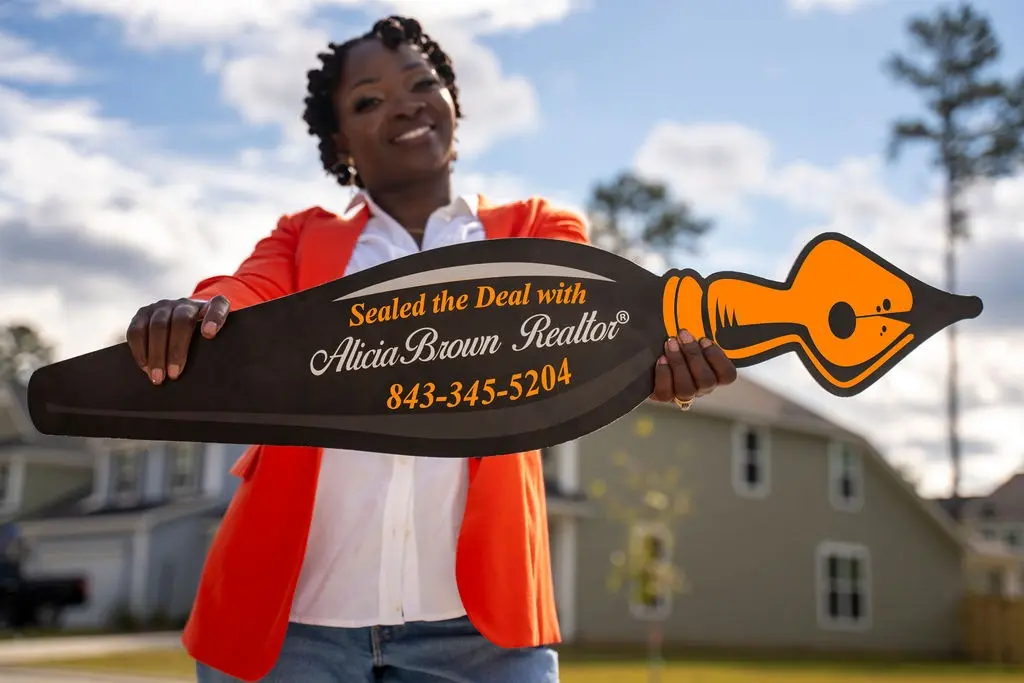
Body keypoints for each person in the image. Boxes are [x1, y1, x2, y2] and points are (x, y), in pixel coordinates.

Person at [125, 15, 737, 683]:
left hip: (480, 636)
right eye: (369, 99)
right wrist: (198, 312)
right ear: (340, 142)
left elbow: (597, 330)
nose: (404, 104)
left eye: (422, 82)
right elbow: (245, 293)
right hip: (288, 627)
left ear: (453, 102)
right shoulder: (304, 240)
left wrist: (654, 362)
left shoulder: (536, 230)